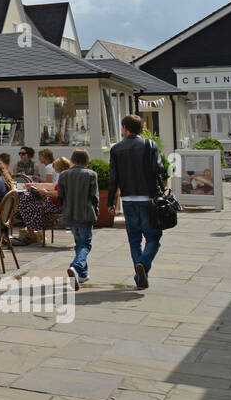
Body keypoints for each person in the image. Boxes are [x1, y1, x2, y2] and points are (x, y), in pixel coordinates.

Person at [107, 114, 164, 289]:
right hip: (148, 198)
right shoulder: (150, 145)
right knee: (154, 237)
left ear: (125, 128)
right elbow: (159, 168)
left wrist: (111, 202)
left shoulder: (116, 148)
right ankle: (144, 264)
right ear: (141, 128)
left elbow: (113, 178)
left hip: (128, 198)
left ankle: (141, 276)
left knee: (134, 239)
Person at [58, 149, 99, 290]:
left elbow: (60, 196)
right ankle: (75, 267)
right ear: (86, 160)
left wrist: (65, 209)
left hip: (70, 214)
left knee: (79, 244)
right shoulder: (91, 174)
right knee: (86, 245)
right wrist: (96, 211)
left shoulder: (63, 175)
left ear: (73, 159)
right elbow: (94, 197)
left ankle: (82, 274)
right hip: (86, 213)